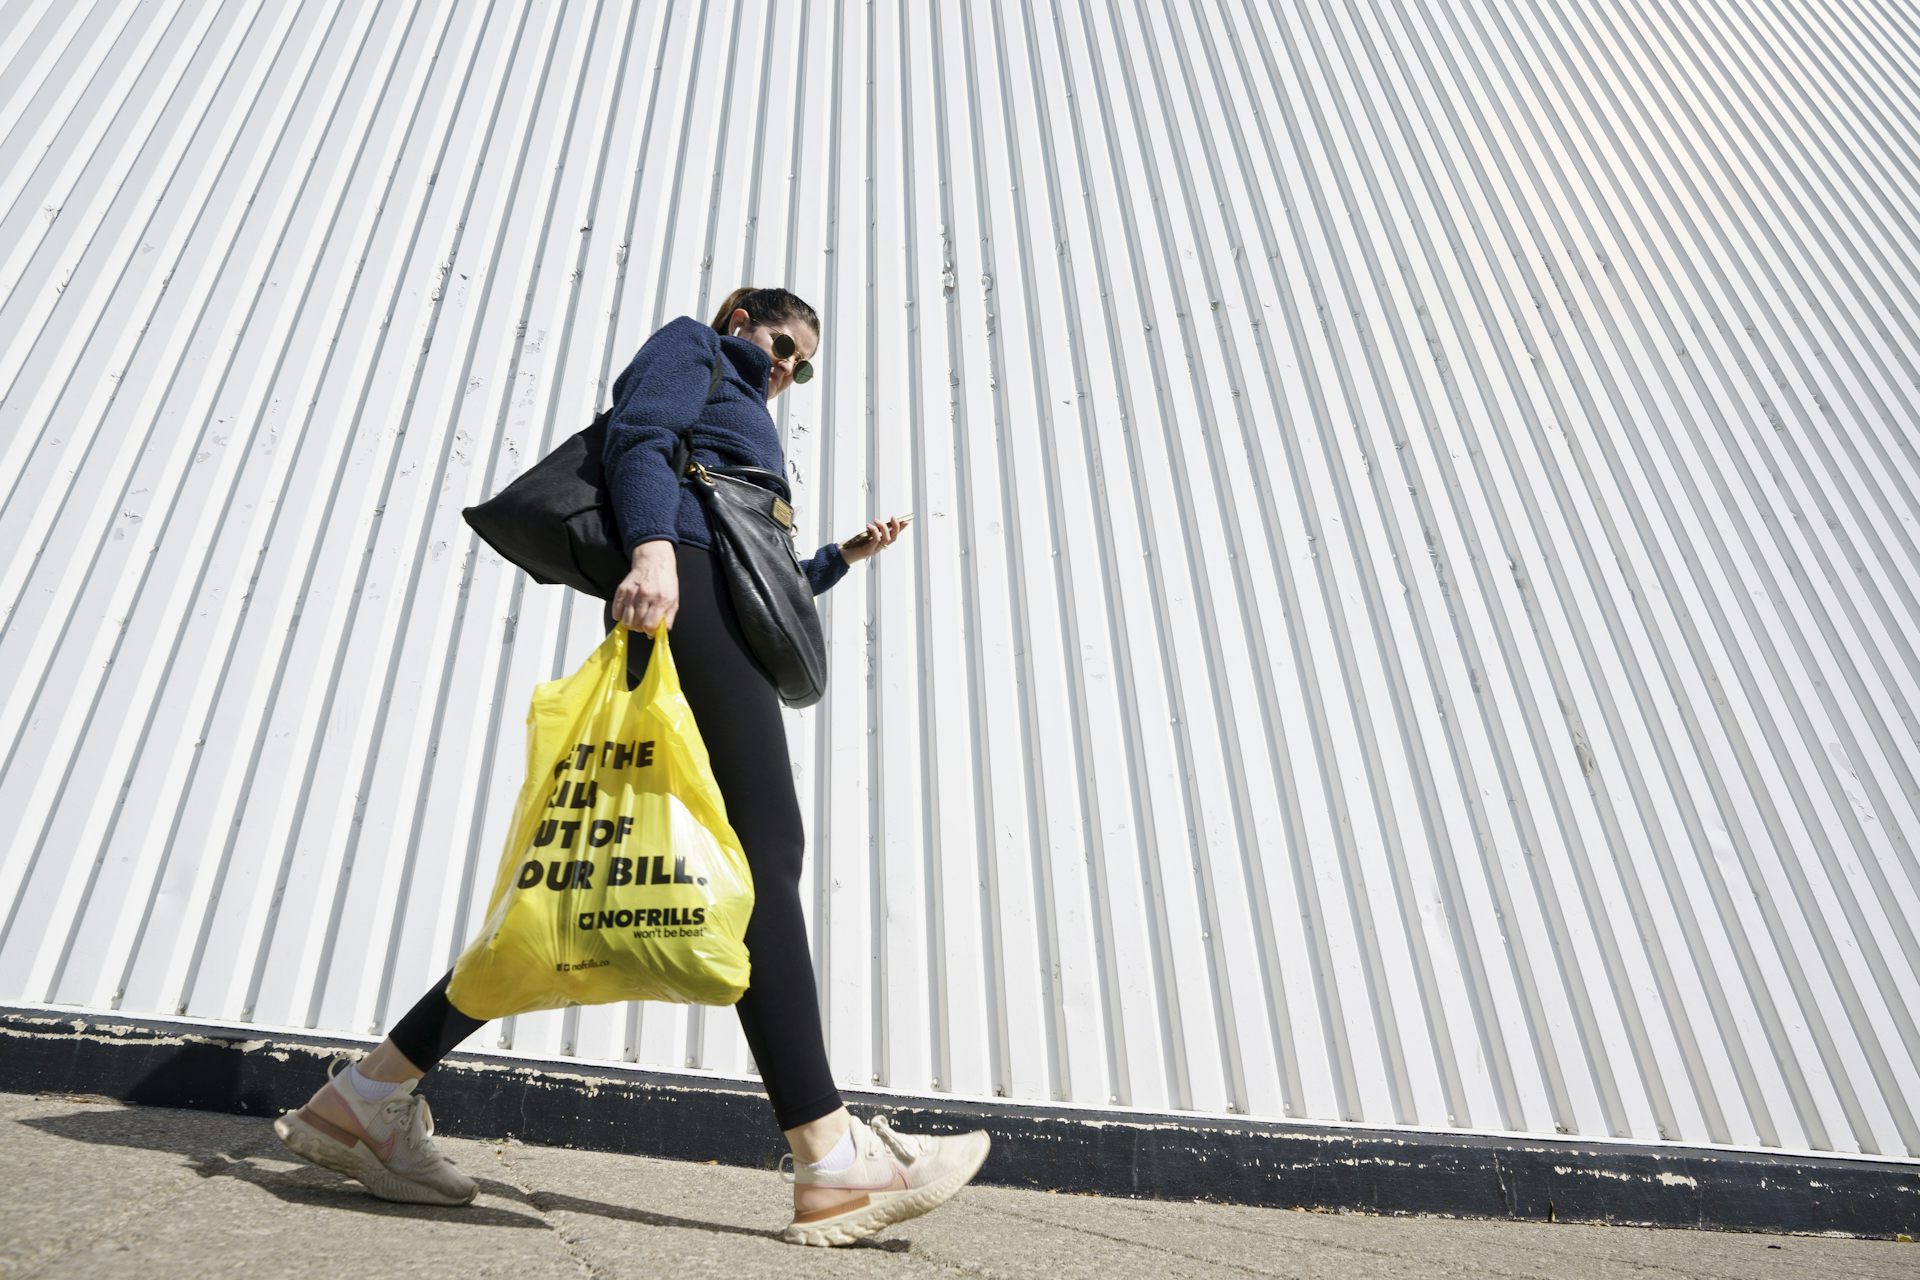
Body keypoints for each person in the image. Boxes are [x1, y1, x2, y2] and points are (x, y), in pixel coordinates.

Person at [273, 286, 989, 1247]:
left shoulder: (748, 422)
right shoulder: (694, 346)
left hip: (708, 598)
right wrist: (650, 550)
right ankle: (831, 1161)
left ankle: (369, 1094)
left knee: (597, 882)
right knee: (765, 853)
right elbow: (641, 439)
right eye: (782, 345)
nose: (787, 370)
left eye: (803, 366)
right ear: (741, 321)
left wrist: (835, 560)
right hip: (678, 589)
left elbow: (753, 567)